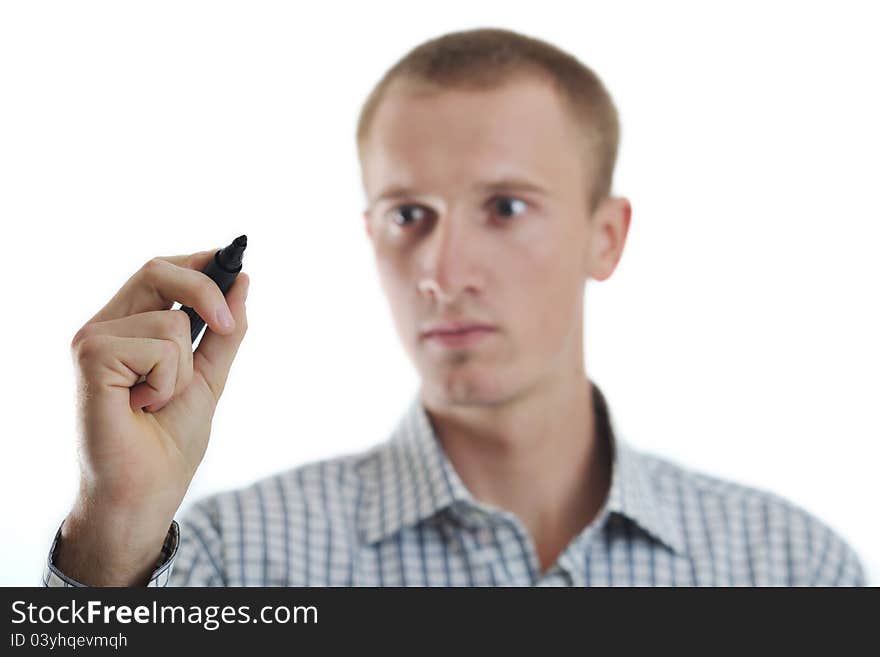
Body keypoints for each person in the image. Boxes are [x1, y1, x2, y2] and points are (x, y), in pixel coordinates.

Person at [43, 27, 865, 587]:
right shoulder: (225, 563)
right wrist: (112, 528)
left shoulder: (792, 568)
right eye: (409, 216)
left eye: (506, 208)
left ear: (605, 237)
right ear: (372, 235)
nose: (441, 271)